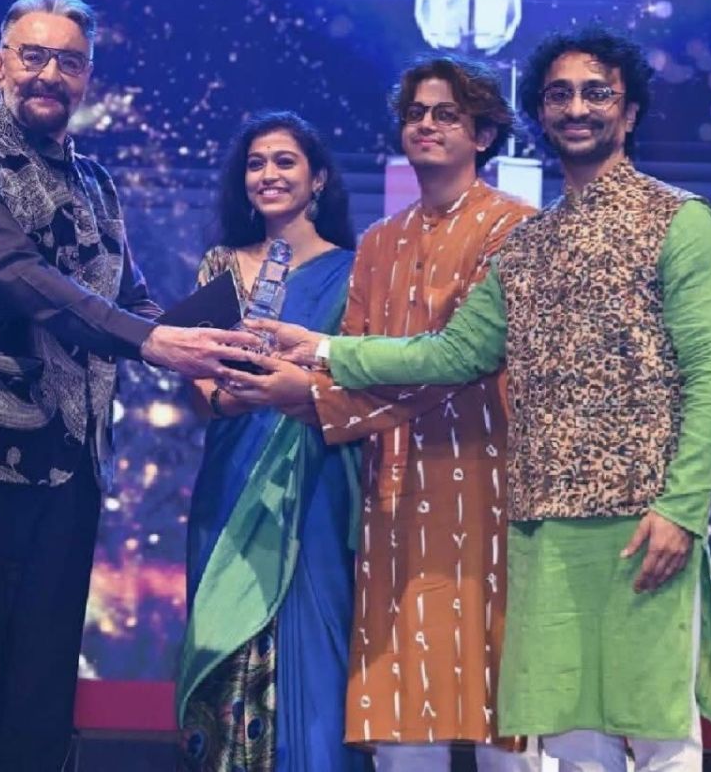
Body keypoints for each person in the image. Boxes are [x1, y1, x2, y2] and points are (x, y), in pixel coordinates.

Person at [238, 26, 711, 772]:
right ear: (540, 113)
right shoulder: (531, 244)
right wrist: (322, 350)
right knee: (572, 739)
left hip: (627, 513)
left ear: (629, 111)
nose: (577, 108)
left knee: (657, 727)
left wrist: (683, 508)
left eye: (596, 93)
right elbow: (452, 353)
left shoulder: (676, 219)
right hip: (538, 520)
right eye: (559, 94)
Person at [0, 0, 253, 772]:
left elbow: (128, 297)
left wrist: (214, 346)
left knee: (41, 696)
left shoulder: (97, 183)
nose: (48, 74)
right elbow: (23, 280)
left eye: (68, 61)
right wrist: (156, 340)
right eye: (33, 56)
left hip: (70, 468)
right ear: (0, 65)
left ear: (87, 76)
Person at [218, 57, 540, 771]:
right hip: (392, 502)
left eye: (447, 114)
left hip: (484, 492)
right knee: (401, 729)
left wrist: (307, 389)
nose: (426, 125)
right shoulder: (381, 243)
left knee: (505, 729)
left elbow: (454, 364)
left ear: (484, 133)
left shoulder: (515, 229)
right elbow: (356, 362)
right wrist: (300, 381)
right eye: (416, 113)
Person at [176, 111, 368, 772]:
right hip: (231, 481)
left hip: (313, 478)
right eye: (256, 163)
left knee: (316, 638)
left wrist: (294, 388)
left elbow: (358, 377)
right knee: (223, 640)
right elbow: (202, 386)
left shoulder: (356, 272)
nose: (268, 174)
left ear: (319, 179)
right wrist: (231, 393)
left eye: (285, 161)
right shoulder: (221, 266)